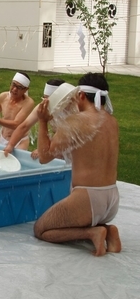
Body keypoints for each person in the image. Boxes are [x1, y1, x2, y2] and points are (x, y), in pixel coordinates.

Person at [34, 72, 121, 256]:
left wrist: (42, 122)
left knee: (41, 229)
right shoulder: (112, 122)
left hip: (88, 198)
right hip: (112, 197)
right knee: (76, 218)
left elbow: (44, 156)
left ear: (80, 95)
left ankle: (93, 232)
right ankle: (108, 230)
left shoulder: (76, 122)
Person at [3, 78, 65, 159]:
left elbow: (64, 137)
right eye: (44, 98)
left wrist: (43, 149)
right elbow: (24, 126)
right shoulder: (44, 106)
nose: (45, 102)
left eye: (49, 99)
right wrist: (10, 145)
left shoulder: (70, 111)